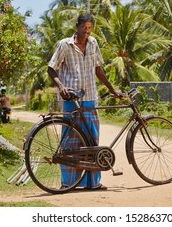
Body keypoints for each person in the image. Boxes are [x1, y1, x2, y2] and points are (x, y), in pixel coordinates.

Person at [47, 13, 122, 190]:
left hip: (89, 98)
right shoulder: (65, 45)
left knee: (92, 140)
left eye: (89, 28)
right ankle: (68, 183)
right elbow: (51, 69)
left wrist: (112, 90)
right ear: (77, 26)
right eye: (84, 28)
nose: (86, 31)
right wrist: (61, 86)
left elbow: (98, 69)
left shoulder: (94, 43)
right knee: (70, 142)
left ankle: (93, 183)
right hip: (71, 98)